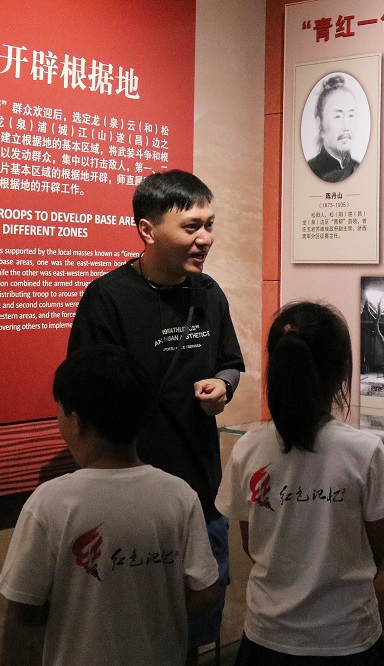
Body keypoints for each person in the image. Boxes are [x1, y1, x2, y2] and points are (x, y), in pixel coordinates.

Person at [67, 170, 245, 661]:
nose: (205, 238)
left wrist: (223, 386)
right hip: (128, 498)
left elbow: (230, 361)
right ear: (147, 230)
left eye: (209, 224)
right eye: (191, 227)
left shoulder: (209, 292)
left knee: (195, 627)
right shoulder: (108, 298)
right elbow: (83, 393)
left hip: (200, 491)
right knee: (132, 632)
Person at [0, 345, 221, 665]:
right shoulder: (179, 495)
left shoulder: (48, 502)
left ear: (75, 421)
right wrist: (152, 620)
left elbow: (23, 611)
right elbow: (207, 592)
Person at [217, 301, 384, 664]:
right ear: (341, 372)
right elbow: (375, 552)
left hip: (266, 636)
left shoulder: (248, 449)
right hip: (346, 636)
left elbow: (251, 544)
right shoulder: (364, 450)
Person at [307, 74, 360, 183]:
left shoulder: (360, 169)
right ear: (319, 123)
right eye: (338, 116)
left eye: (351, 115)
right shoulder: (310, 171)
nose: (346, 127)